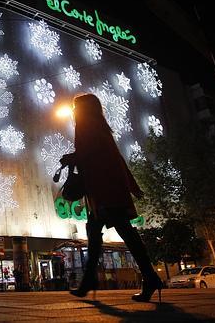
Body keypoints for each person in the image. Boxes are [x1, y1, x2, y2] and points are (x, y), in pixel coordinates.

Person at [60, 94, 162, 302]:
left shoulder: (86, 126)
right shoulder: (100, 127)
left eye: (75, 107)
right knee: (97, 231)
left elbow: (90, 154)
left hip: (104, 189)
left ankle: (149, 277)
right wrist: (132, 186)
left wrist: (72, 157)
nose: (73, 111)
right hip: (109, 188)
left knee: (123, 231)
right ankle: (93, 280)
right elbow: (114, 157)